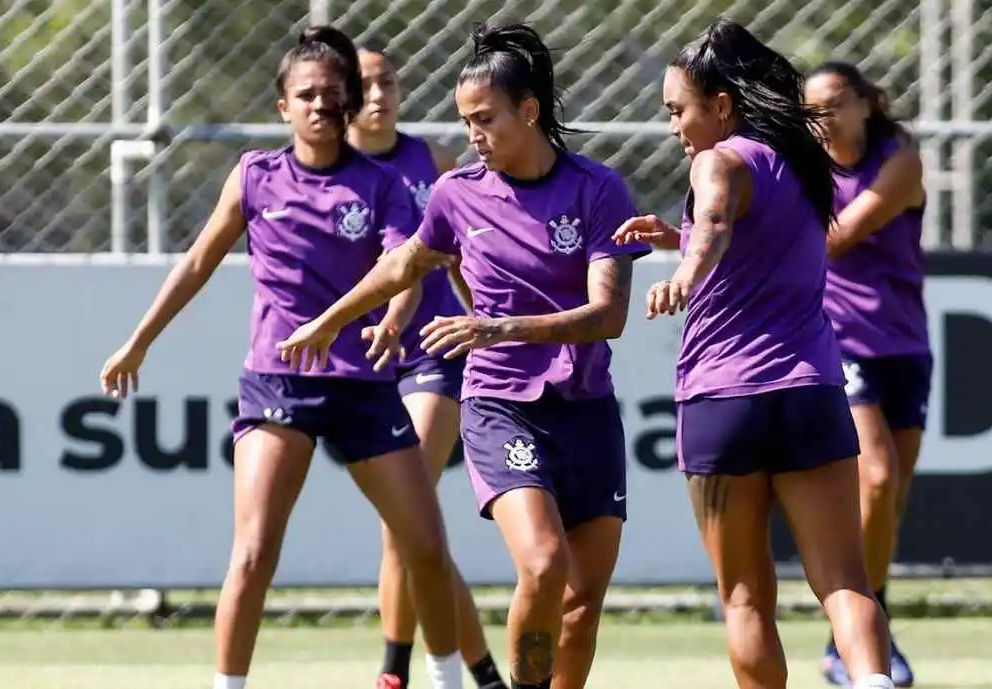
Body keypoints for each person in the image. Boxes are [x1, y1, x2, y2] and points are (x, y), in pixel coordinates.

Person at [276, 22, 651, 689]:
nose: (472, 134)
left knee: (581, 602)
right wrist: (328, 321)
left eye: (485, 119)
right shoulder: (458, 193)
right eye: (464, 121)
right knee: (542, 564)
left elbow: (609, 315)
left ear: (528, 110)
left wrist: (500, 325)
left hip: (586, 407)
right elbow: (402, 266)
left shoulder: (599, 190)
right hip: (500, 403)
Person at [98, 26, 466, 689]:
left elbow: (401, 265)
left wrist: (391, 315)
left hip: (361, 384)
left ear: (349, 103)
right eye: (307, 95)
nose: (321, 106)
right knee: (254, 550)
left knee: (426, 546)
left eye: (333, 95)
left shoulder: (379, 183)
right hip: (279, 384)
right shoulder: (255, 176)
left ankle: (443, 679)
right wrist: (139, 339)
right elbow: (197, 261)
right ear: (283, 108)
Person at [613, 19, 895, 689]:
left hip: (724, 398)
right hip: (810, 393)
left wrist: (686, 269)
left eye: (678, 109)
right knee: (846, 581)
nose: (674, 126)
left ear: (721, 105)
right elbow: (731, 232)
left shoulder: (719, 161)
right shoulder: (802, 165)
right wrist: (677, 242)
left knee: (744, 594)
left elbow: (714, 220)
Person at [348, 42, 504, 689]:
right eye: (367, 85)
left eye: (390, 81)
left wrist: (487, 320)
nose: (381, 95)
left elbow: (447, 259)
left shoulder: (432, 163)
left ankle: (394, 672)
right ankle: (487, 674)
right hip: (361, 365)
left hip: (432, 355)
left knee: (403, 521)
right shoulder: (326, 169)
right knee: (416, 531)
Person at [804, 61, 929, 689]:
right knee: (875, 478)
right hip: (839, 341)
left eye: (832, 106)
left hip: (904, 345)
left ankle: (852, 635)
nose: (821, 120)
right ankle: (861, 628)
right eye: (811, 111)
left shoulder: (898, 161)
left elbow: (838, 237)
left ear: (864, 104)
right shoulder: (805, 170)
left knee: (891, 496)